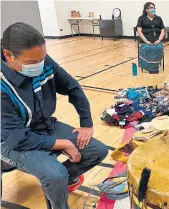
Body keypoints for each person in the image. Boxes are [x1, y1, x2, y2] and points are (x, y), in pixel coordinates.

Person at [1, 22, 108, 209]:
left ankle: (55, 184)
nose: (40, 66)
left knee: (97, 151)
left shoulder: (40, 61)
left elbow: (72, 87)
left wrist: (86, 123)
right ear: (8, 55)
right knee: (55, 174)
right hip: (12, 140)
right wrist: (64, 143)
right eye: (33, 63)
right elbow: (18, 139)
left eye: (42, 59)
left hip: (44, 126)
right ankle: (56, 188)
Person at [137, 2, 165, 74]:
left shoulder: (159, 18)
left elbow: (163, 30)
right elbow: (139, 31)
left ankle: (153, 67)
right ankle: (150, 67)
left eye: (154, 8)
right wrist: (146, 41)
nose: (153, 9)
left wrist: (159, 40)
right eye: (151, 8)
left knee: (158, 48)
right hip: (145, 41)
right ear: (146, 10)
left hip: (157, 41)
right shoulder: (141, 18)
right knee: (148, 48)